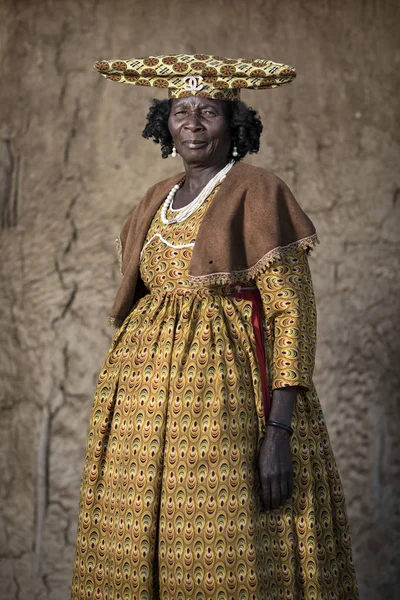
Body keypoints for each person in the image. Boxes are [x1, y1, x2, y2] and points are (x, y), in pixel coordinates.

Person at [71, 54, 359, 600]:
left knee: (227, 536)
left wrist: (278, 432)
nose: (194, 123)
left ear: (234, 122)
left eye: (209, 111)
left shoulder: (259, 189)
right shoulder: (154, 199)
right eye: (182, 111)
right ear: (166, 123)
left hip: (231, 399)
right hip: (142, 404)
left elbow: (293, 311)